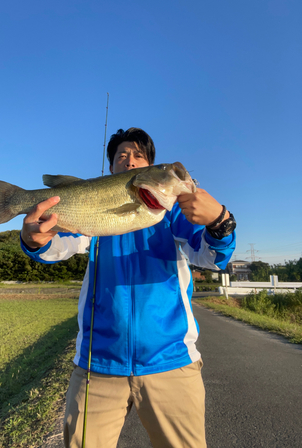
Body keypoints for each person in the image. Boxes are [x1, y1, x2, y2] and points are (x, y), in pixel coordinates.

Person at [20, 128, 236, 448]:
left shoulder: (175, 213)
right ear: (112, 169)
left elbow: (212, 257)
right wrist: (31, 240)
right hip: (97, 364)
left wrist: (220, 221)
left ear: (148, 166)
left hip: (171, 362)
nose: (130, 160)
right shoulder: (92, 210)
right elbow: (54, 247)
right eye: (122, 156)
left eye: (138, 156)